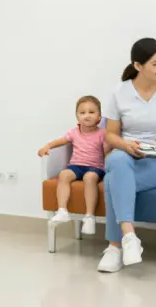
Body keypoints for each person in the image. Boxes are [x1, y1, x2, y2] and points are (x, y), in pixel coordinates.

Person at [99, 38, 156, 273]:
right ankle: (129, 237)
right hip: (128, 156)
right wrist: (127, 146)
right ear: (138, 66)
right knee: (118, 159)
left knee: (111, 181)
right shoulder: (119, 93)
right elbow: (110, 135)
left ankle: (114, 247)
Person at [39, 95, 110, 235]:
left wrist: (109, 156)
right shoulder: (74, 132)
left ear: (99, 117)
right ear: (77, 117)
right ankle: (62, 210)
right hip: (76, 166)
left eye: (91, 112)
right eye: (82, 113)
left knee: (89, 178)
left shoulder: (102, 133)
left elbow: (108, 151)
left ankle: (89, 216)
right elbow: (61, 141)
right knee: (64, 174)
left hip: (95, 167)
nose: (87, 115)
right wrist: (48, 146)